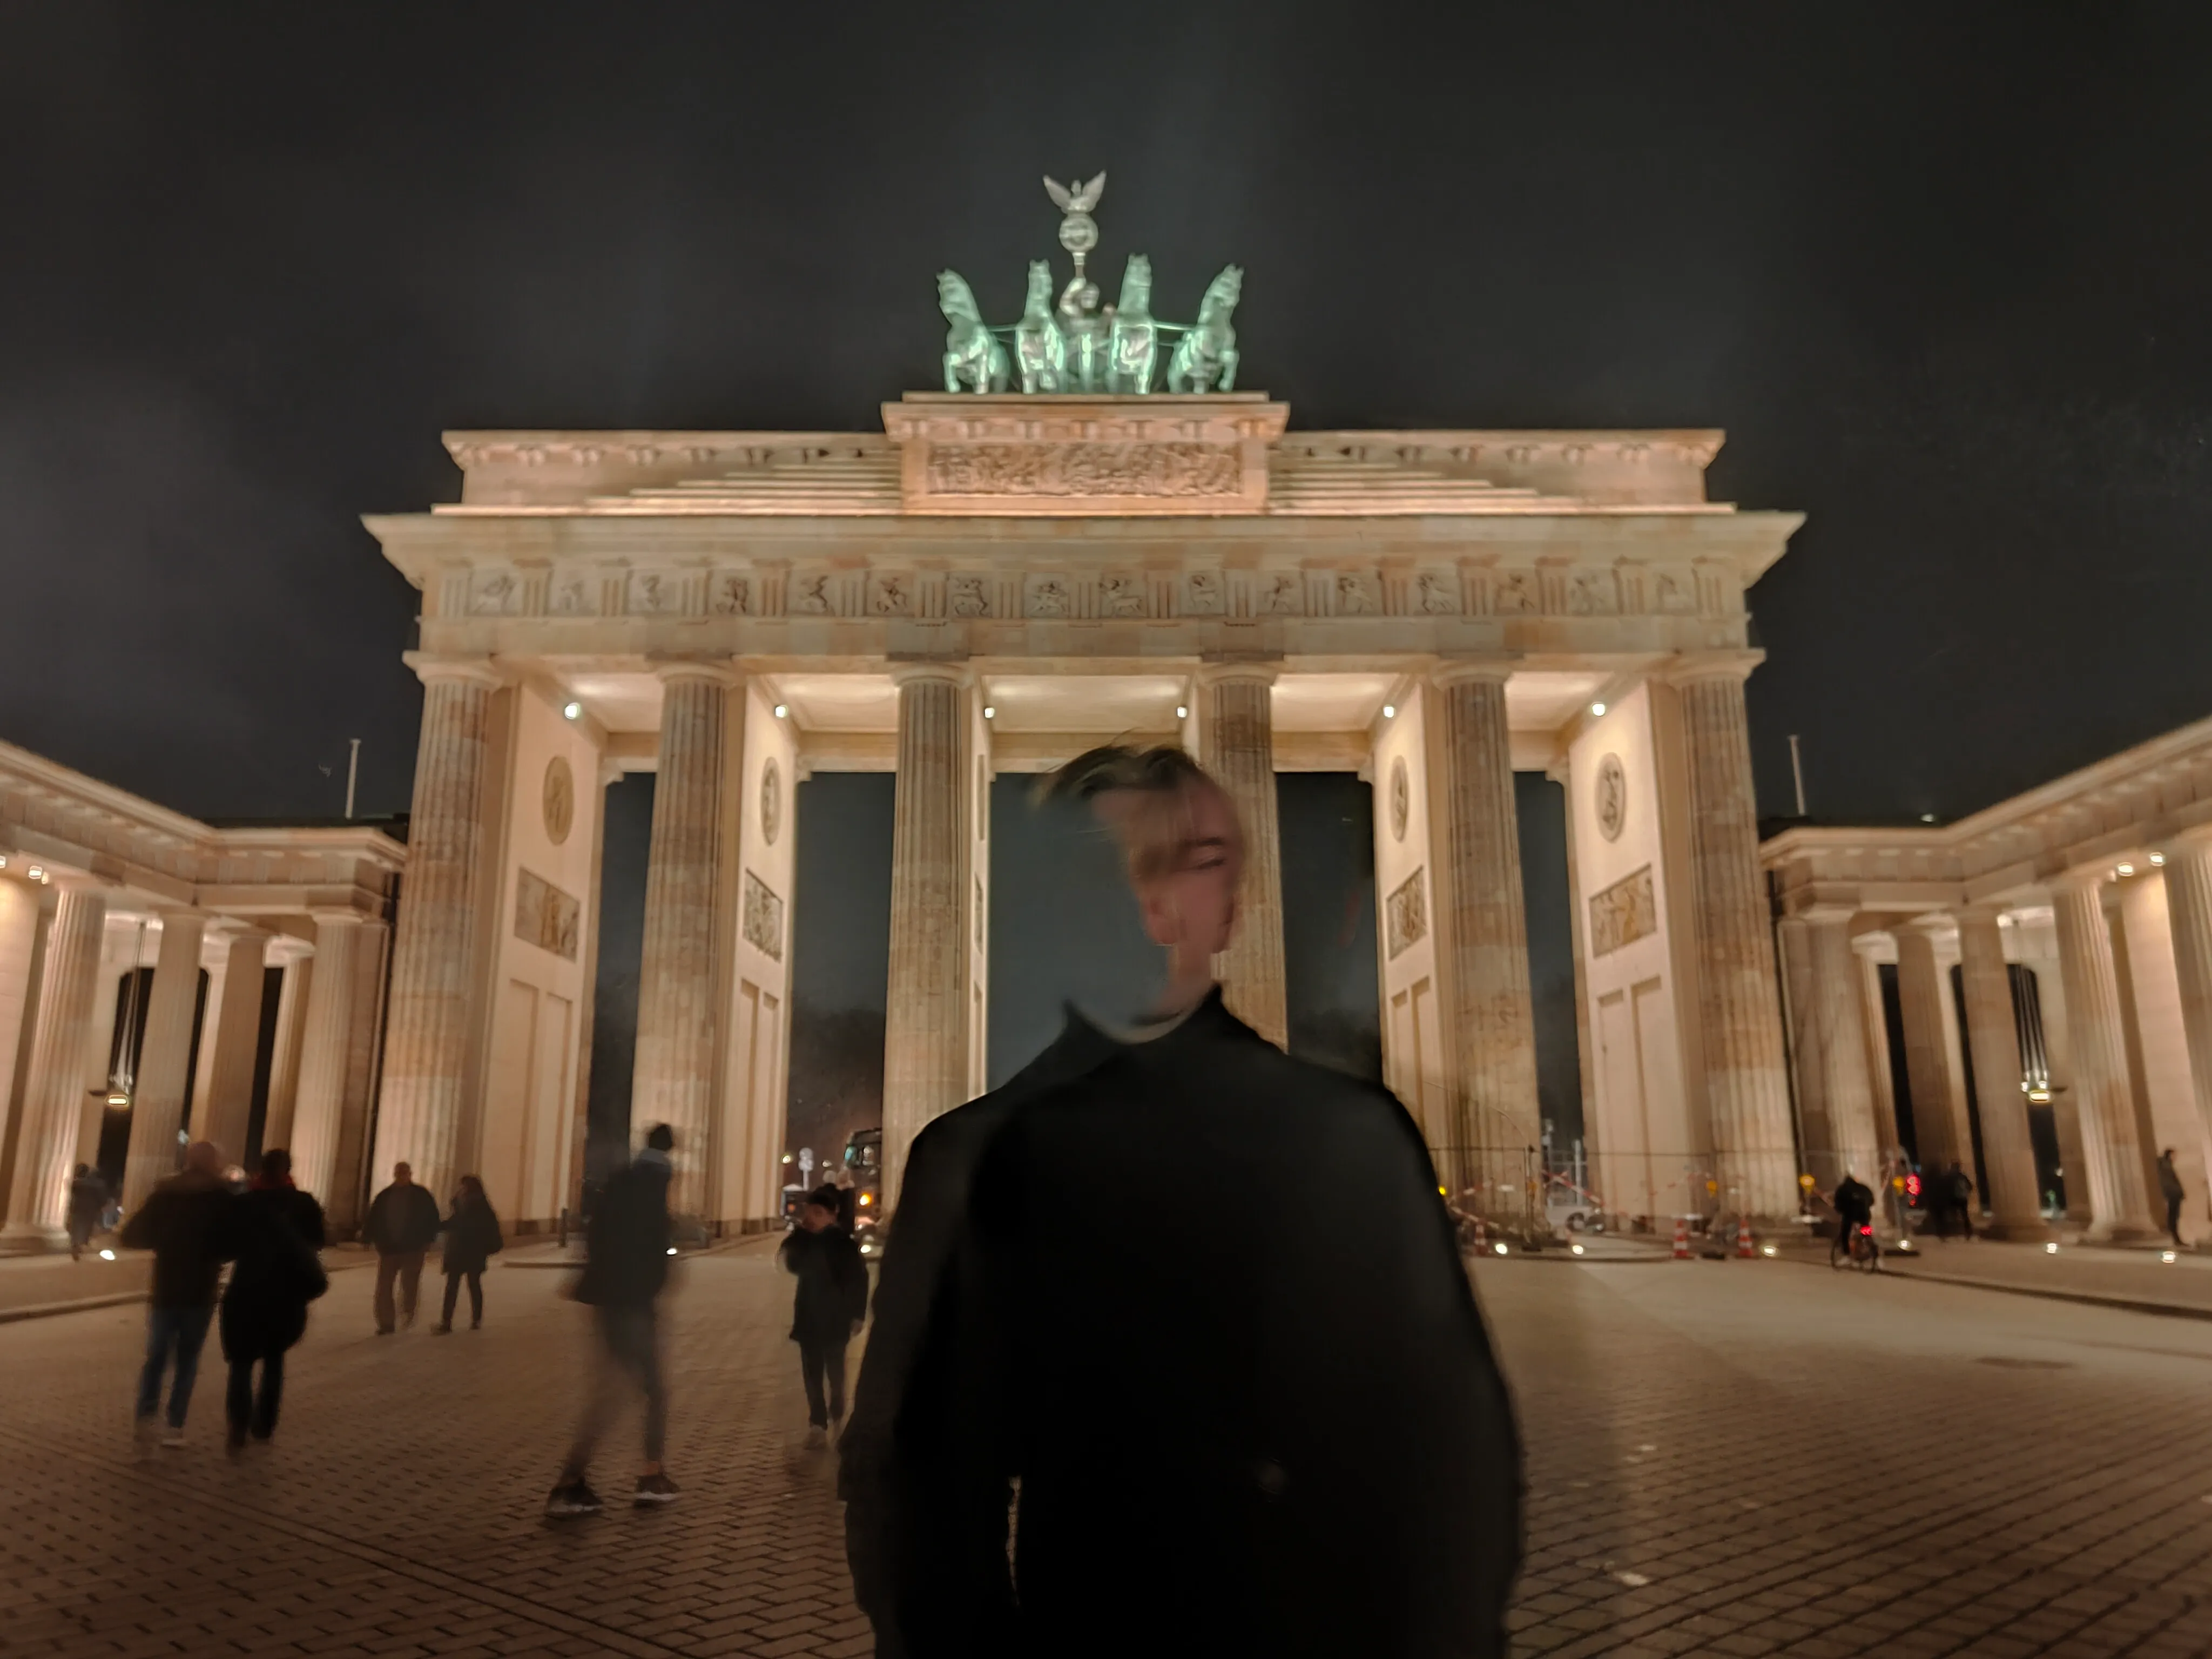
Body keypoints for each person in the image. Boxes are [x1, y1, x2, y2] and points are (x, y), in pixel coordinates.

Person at [840, 744, 1522, 1659]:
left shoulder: (1350, 1141)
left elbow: (1457, 1462)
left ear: (1231, 902)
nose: (1150, 899)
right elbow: (910, 1483)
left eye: (1192, 857)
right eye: (1120, 867)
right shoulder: (973, 1157)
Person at [546, 1124, 680, 1515]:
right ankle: (646, 1477)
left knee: (616, 1392)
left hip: (611, 1299)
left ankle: (575, 1482)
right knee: (644, 1392)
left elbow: (600, 1236)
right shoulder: (652, 1185)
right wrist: (653, 1282)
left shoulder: (622, 1181)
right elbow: (649, 1243)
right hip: (631, 1303)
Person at [119, 1140, 234, 1449]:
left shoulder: (165, 1193)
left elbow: (132, 1234)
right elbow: (233, 1241)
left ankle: (145, 1416)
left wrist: (166, 1242)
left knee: (156, 1356)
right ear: (213, 1163)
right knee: (187, 1358)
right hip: (200, 1287)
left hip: (166, 1286)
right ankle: (175, 1424)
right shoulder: (222, 1196)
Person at [218, 1147, 327, 1451]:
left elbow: (226, 1246)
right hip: (285, 1293)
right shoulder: (304, 1204)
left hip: (246, 1290)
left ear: (260, 1170)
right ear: (288, 1171)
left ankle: (238, 1425)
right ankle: (264, 1425)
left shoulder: (244, 1205)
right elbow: (318, 1242)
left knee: (240, 1363)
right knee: (274, 1361)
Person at [780, 1183, 869, 1447]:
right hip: (808, 1318)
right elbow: (793, 1265)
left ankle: (838, 1406)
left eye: (819, 1213)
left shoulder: (844, 1245)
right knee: (812, 1374)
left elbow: (859, 1281)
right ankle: (818, 1423)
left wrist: (857, 1315)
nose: (813, 1218)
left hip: (836, 1320)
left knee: (835, 1371)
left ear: (832, 1215)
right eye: (810, 1212)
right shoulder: (804, 1241)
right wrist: (799, 1236)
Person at [364, 1161, 441, 1333]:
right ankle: (386, 1322)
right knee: (384, 1287)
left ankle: (407, 1313)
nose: (402, 1176)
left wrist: (428, 1240)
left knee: (409, 1284)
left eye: (405, 1172)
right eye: (399, 1172)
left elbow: (432, 1218)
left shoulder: (421, 1195)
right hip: (389, 1248)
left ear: (410, 1174)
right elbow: (374, 1218)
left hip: (413, 1248)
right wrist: (369, 1238)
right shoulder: (384, 1196)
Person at [434, 1174, 504, 1333]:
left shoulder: (476, 1206)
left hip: (469, 1250)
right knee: (466, 1285)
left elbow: (461, 1223)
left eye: (464, 1186)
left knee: (464, 1286)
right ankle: (466, 1320)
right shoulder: (468, 1204)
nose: (461, 1189)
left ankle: (452, 1321)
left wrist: (441, 1226)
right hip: (465, 1251)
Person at [66, 1163, 107, 1260]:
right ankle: (82, 1244)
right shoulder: (99, 1185)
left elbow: (74, 1193)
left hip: (78, 1208)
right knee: (86, 1228)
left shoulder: (78, 1184)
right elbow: (103, 1199)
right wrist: (100, 1206)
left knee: (77, 1227)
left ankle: (76, 1245)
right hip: (91, 1210)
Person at [1832, 1170, 1875, 1256]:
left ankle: (1847, 1255)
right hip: (1864, 1215)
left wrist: (1840, 1211)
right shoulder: (1863, 1188)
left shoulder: (1842, 1189)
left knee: (1845, 1233)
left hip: (1849, 1215)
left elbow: (1838, 1204)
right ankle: (1874, 1252)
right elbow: (1872, 1201)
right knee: (1866, 1232)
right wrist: (1866, 1208)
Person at [2157, 1148, 2187, 1247]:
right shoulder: (2166, 1167)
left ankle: (2176, 1238)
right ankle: (2175, 1238)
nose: (2175, 1158)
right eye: (2174, 1155)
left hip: (2173, 1195)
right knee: (2173, 1217)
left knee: (2174, 1217)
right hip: (2173, 1195)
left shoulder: (2166, 1166)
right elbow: (2170, 1183)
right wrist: (2179, 1193)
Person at [1944, 1160, 1976, 1240]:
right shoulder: (1962, 1176)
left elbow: (1946, 1188)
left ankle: (1955, 1232)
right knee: (1965, 1215)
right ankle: (1968, 1232)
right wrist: (1966, 1193)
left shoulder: (1949, 1177)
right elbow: (1970, 1186)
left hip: (1953, 1198)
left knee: (1953, 1215)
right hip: (1963, 1198)